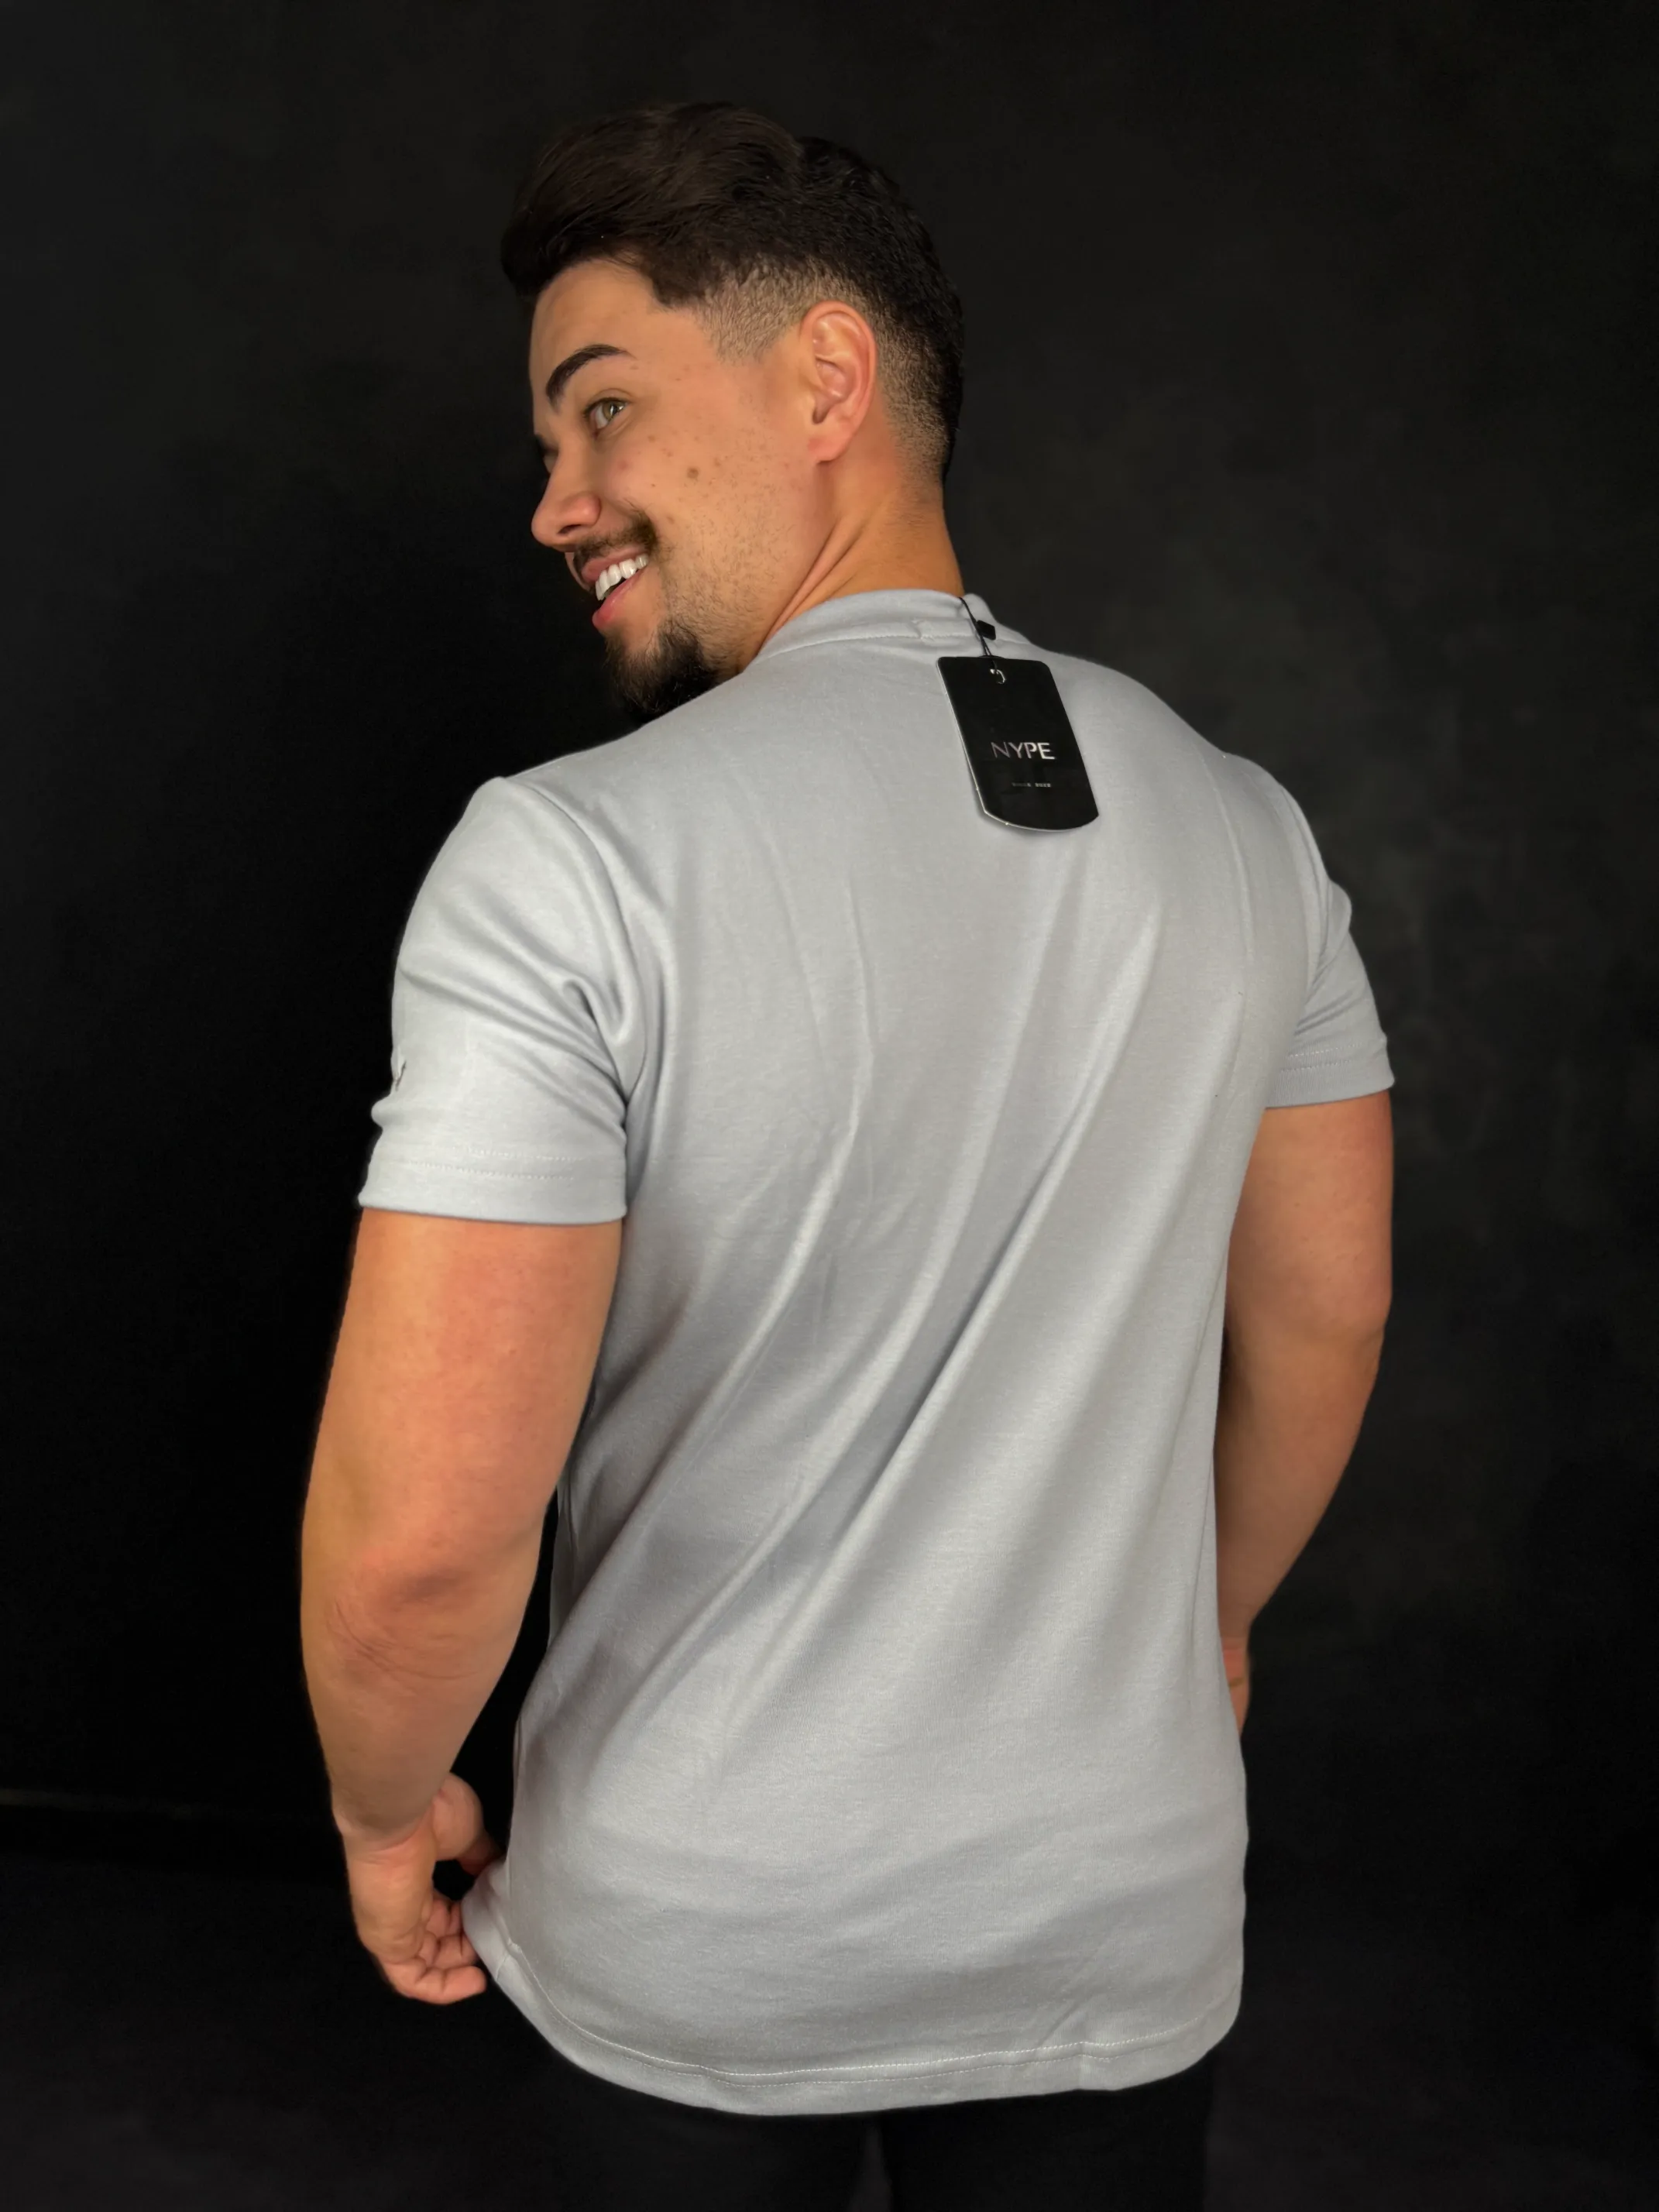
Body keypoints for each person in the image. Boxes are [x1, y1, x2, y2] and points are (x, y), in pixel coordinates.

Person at [299, 100, 1394, 2210]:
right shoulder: (1249, 829)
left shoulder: (567, 862)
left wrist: (379, 1801)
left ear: (826, 379)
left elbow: (428, 1534)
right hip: (1113, 1897)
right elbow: (1326, 1319)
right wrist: (1207, 1621)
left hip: (704, 1928)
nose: (555, 499)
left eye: (600, 408)